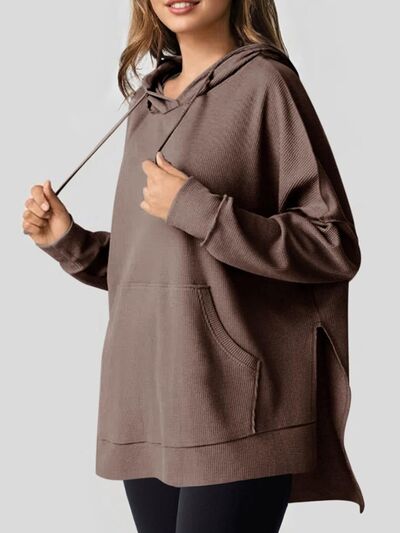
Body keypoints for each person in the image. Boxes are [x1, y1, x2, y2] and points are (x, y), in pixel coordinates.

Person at [22, 0, 365, 531]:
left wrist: (198, 209)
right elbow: (161, 268)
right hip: (146, 402)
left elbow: (333, 244)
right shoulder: (145, 106)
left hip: (233, 407)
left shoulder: (266, 85)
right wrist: (70, 243)